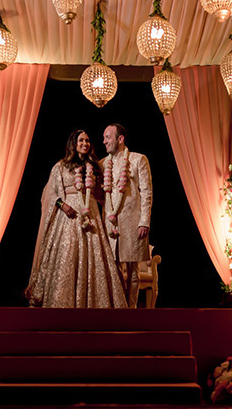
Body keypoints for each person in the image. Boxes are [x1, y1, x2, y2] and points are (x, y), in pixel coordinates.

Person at [27, 130, 127, 308]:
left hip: (91, 214)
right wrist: (62, 205)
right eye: (81, 140)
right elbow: (49, 193)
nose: (85, 144)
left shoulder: (94, 167)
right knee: (67, 256)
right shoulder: (61, 166)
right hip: (68, 216)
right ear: (73, 144)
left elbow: (101, 193)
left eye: (87, 141)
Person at [102, 123, 153, 308]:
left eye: (108, 137)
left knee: (133, 271)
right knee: (113, 269)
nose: (104, 141)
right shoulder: (103, 164)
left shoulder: (138, 159)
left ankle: (131, 310)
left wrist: (144, 222)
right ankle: (117, 307)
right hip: (110, 225)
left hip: (132, 223)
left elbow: (146, 192)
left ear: (120, 139)